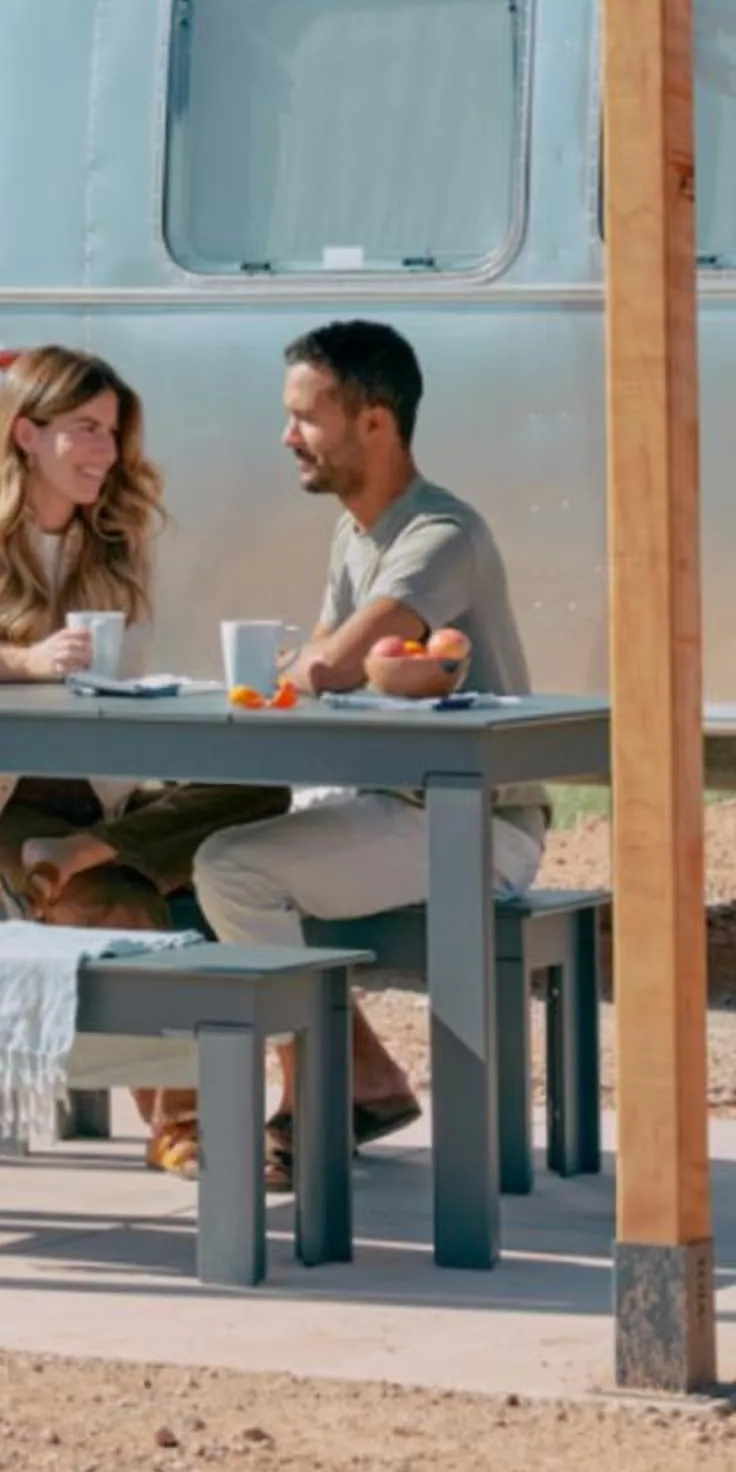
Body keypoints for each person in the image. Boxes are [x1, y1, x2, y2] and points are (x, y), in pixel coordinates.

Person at [0, 344, 286, 1173]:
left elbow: (120, 676)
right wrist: (17, 660)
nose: (107, 451)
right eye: (85, 430)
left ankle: (78, 855)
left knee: (260, 794)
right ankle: (184, 1128)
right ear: (27, 435)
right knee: (123, 901)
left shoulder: (116, 538)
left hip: (100, 803)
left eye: (112, 431)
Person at [188, 321, 548, 1186]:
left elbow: (334, 660)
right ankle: (361, 1078)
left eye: (306, 418)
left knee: (232, 871)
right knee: (207, 849)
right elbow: (316, 655)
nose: (288, 438)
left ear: (375, 423)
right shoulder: (356, 535)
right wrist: (306, 665)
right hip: (396, 808)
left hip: (476, 821)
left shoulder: (439, 535)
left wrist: (306, 667)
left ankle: (320, 1094)